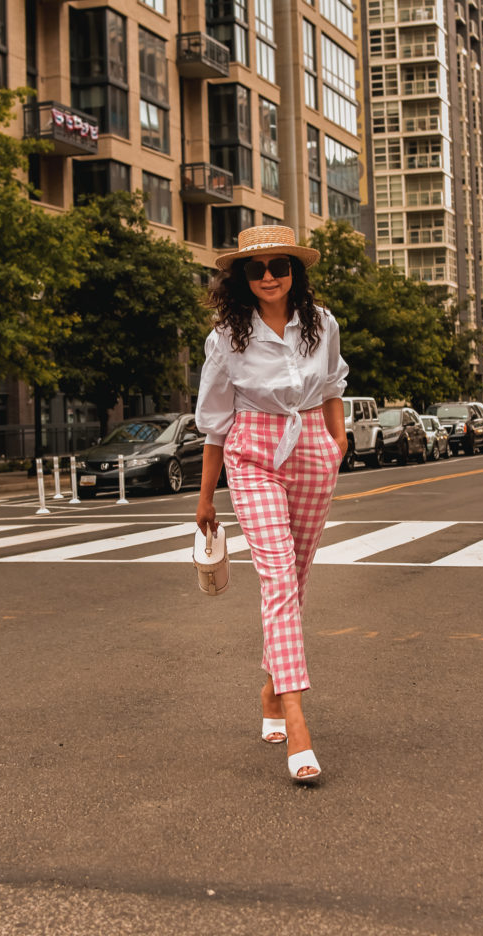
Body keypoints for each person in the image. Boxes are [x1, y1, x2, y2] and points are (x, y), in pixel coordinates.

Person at [195, 224, 348, 783]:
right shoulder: (226, 338)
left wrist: (337, 444)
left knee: (298, 578)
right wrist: (206, 496)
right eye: (255, 269)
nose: (267, 277)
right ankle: (298, 719)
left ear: (294, 273)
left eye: (278, 267)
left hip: (310, 447)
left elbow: (332, 387)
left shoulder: (321, 323)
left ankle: (269, 687)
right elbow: (214, 424)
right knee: (277, 581)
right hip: (252, 452)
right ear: (240, 277)